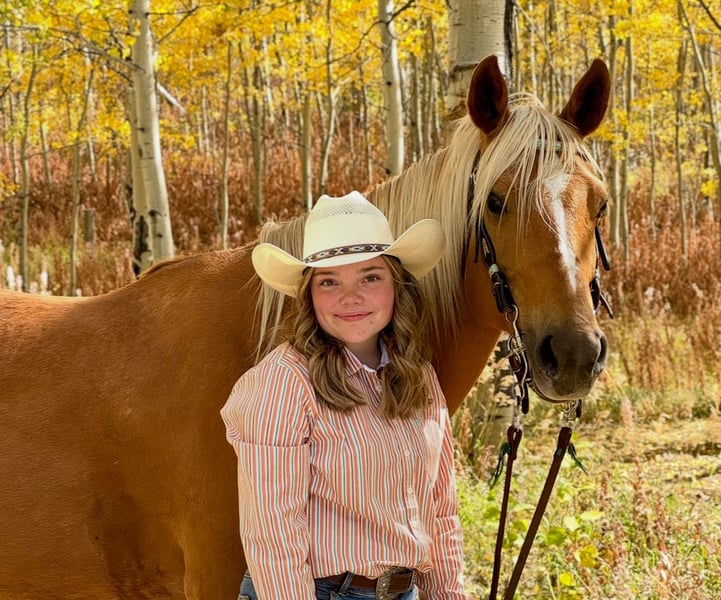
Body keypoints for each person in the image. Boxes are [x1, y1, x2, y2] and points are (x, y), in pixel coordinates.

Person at [221, 191, 468, 600]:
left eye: (370, 277)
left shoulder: (418, 377)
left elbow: (440, 511)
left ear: (396, 284)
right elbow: (273, 531)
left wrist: (448, 596)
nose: (350, 297)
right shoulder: (284, 382)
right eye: (329, 281)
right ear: (309, 295)